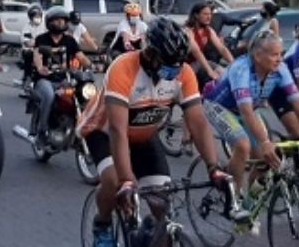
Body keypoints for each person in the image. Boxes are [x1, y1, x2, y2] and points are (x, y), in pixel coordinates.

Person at [77, 18, 229, 246]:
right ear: (150, 53)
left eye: (179, 63)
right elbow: (118, 130)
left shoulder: (183, 73)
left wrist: (214, 168)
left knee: (161, 204)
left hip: (143, 135)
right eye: (169, 63)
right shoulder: (123, 68)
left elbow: (197, 122)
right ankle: (103, 223)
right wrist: (128, 180)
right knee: (114, 180)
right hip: (104, 132)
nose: (175, 70)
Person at [202, 29, 299, 196]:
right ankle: (232, 196)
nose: (279, 59)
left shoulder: (281, 69)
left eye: (281, 53)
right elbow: (246, 111)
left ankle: (249, 208)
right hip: (219, 106)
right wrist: (264, 141)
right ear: (257, 55)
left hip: (245, 110)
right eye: (273, 54)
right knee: (242, 145)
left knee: (264, 160)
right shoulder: (241, 69)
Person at [33, 6, 91, 141]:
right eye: (57, 20)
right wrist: (40, 67)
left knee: (81, 95)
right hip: (45, 79)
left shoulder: (70, 40)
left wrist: (92, 65)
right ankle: (42, 131)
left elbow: (81, 57)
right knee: (49, 96)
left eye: (63, 21)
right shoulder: (42, 39)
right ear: (49, 22)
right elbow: (37, 55)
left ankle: (72, 124)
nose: (60, 23)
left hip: (65, 79)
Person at [185, 2, 234, 88]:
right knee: (209, 68)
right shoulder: (188, 31)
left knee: (223, 73)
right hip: (187, 66)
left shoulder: (209, 30)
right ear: (196, 15)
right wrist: (209, 71)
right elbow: (197, 52)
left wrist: (234, 64)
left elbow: (222, 49)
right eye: (205, 14)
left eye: (210, 14)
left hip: (201, 63)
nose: (209, 17)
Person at [18, 5, 45, 87]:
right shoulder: (27, 27)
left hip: (44, 49)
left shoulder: (45, 25)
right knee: (28, 55)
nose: (38, 18)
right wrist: (35, 43)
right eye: (36, 16)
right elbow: (27, 42)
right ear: (31, 17)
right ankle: (27, 77)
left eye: (39, 16)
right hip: (30, 50)